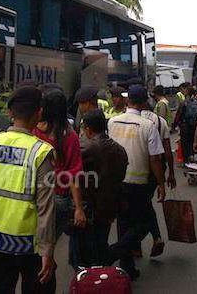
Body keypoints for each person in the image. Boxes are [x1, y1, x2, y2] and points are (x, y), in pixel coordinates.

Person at [0, 86, 56, 293]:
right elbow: (45, 208)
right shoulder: (41, 151)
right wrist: (47, 251)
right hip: (28, 245)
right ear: (38, 113)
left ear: (10, 113)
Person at [106, 84, 166, 280]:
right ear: (143, 103)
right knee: (141, 222)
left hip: (116, 181)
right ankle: (115, 252)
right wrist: (161, 183)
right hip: (139, 182)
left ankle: (127, 267)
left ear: (127, 100)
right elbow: (155, 159)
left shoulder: (112, 122)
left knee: (123, 223)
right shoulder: (148, 126)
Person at [70, 109, 127, 269]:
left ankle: (89, 281)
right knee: (101, 243)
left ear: (87, 129)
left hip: (90, 207)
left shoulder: (86, 148)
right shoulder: (119, 149)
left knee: (86, 252)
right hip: (109, 206)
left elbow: (73, 173)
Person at [33, 90, 85, 241]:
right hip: (58, 199)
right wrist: (78, 208)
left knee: (33, 244)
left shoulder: (33, 130)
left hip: (33, 194)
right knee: (48, 243)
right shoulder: (69, 135)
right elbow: (73, 175)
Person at [139, 103, 176, 258]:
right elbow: (167, 150)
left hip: (137, 167)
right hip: (156, 170)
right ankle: (155, 237)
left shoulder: (132, 120)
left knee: (140, 207)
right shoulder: (161, 121)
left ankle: (144, 241)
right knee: (145, 203)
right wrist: (170, 173)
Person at [173, 86, 197, 163]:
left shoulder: (184, 103)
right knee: (193, 142)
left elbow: (178, 116)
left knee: (185, 145)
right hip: (195, 127)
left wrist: (174, 126)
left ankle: (186, 161)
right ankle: (193, 158)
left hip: (185, 127)